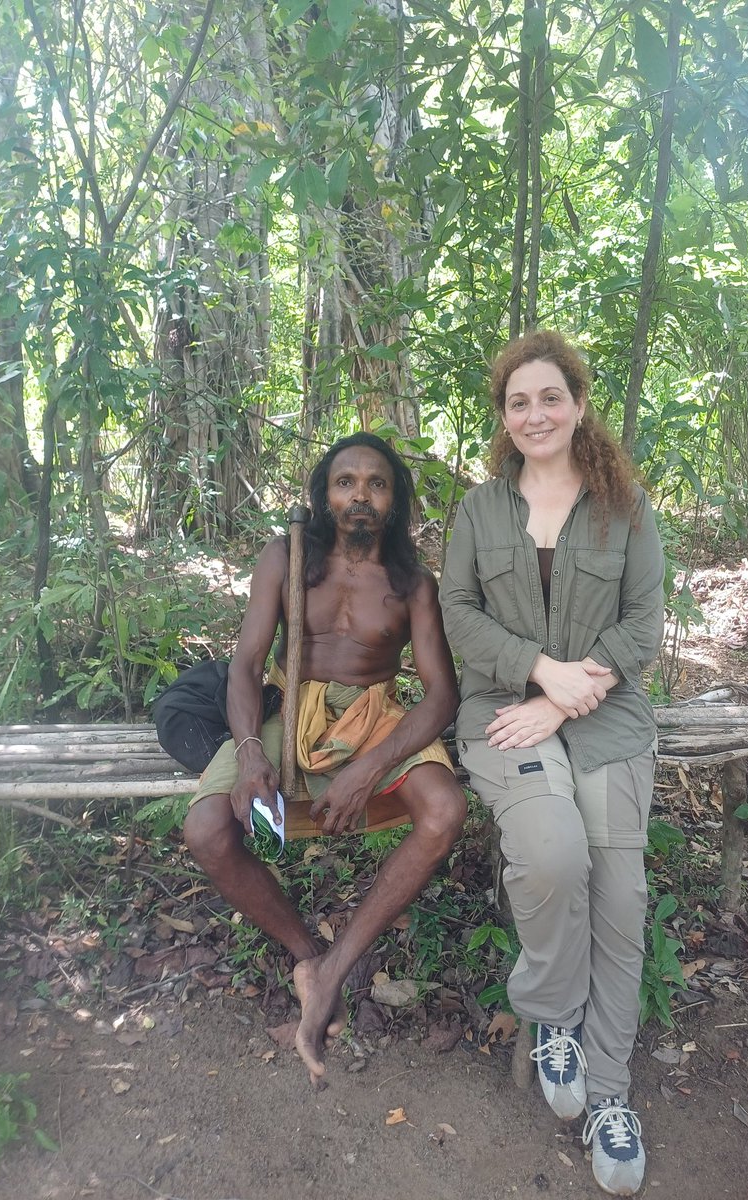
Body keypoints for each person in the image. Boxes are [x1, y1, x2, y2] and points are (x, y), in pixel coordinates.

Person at [439, 331, 664, 1197]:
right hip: (504, 718)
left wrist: (570, 693)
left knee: (621, 897)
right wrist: (537, 673)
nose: (535, 414)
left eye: (550, 397)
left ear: (578, 405)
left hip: (605, 722)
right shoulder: (480, 510)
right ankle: (552, 1017)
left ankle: (609, 1089)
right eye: (517, 401)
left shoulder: (623, 507)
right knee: (553, 855)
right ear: (504, 416)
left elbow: (644, 620)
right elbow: (458, 610)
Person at [183, 432, 467, 1084]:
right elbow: (248, 664)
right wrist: (252, 752)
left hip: (376, 719)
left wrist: (370, 768)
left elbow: (441, 693)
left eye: (375, 483)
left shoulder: (412, 584)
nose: (359, 495)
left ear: (394, 501)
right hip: (293, 716)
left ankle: (338, 967)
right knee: (205, 829)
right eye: (345, 482)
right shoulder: (286, 557)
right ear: (324, 495)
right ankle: (307, 954)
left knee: (445, 809)